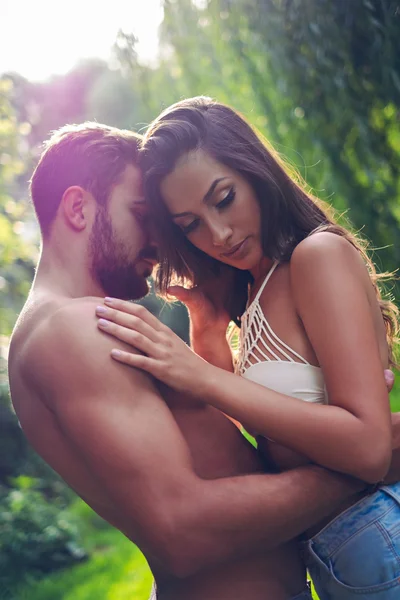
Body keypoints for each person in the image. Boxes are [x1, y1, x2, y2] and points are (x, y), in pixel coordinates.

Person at [95, 98, 400, 600]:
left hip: (375, 539)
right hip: (338, 554)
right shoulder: (257, 287)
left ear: (254, 170)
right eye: (190, 224)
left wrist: (201, 376)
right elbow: (266, 426)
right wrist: (210, 335)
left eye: (224, 198)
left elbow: (367, 449)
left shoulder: (317, 257)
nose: (219, 234)